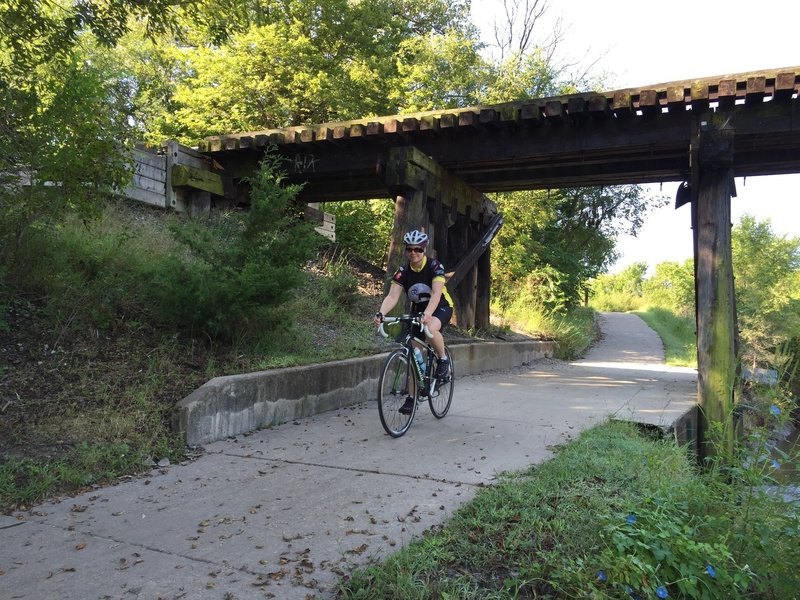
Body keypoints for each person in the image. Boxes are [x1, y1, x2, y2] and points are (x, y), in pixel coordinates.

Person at [373, 229, 454, 414]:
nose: (413, 253)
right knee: (413, 353)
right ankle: (412, 397)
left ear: (424, 250)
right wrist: (381, 313)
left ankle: (442, 361)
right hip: (417, 310)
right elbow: (392, 296)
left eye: (417, 249)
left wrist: (427, 314)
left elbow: (435, 295)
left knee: (431, 327)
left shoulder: (435, 267)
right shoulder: (403, 271)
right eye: (409, 249)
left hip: (441, 306)